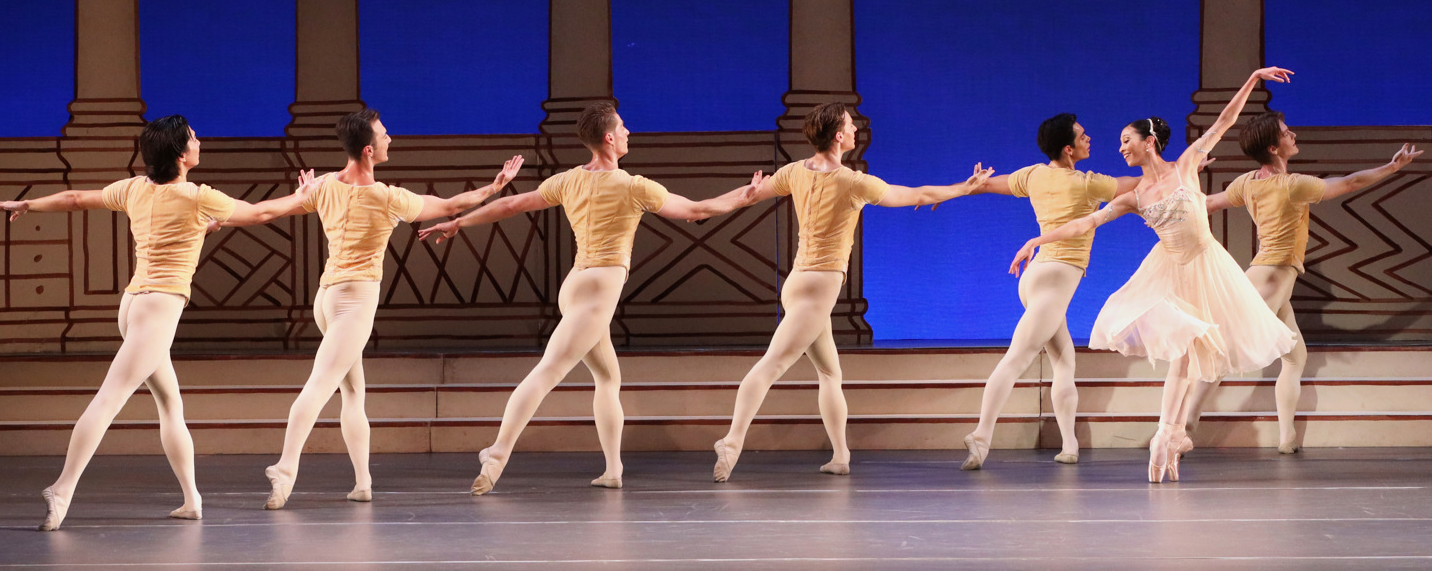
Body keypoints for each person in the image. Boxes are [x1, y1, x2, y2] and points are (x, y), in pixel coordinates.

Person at [417, 101, 766, 494]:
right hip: (599, 291)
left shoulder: (569, 180)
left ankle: (613, 468)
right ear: (609, 137)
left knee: (607, 377)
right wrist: (744, 197)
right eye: (623, 127)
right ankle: (496, 455)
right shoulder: (634, 186)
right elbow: (696, 210)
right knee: (548, 371)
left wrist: (460, 221)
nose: (629, 132)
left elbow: (512, 204)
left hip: (578, 285)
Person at [0, 114, 300, 531]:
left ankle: (192, 500)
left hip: (134, 306)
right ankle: (61, 489)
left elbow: (77, 198)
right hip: (156, 311)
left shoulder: (136, 188)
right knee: (109, 399)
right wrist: (306, 195)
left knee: (171, 404)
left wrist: (28, 203)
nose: (199, 141)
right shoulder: (196, 195)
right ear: (180, 154)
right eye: (193, 137)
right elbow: (261, 213)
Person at [211, 107, 525, 508]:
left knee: (354, 392)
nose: (390, 138)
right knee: (321, 384)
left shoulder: (323, 185)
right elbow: (448, 206)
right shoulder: (386, 198)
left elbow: (268, 212)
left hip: (327, 300)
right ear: (368, 150)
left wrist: (223, 219)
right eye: (384, 135)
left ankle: (363, 482)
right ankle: (285, 469)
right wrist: (495, 186)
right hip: (354, 304)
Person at [1008, 67, 1296, 482]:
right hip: (1169, 271)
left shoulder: (1187, 165)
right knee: (1183, 353)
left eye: (1127, 141)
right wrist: (1037, 241)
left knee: (1198, 357)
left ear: (1149, 142)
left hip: (1207, 266)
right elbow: (1084, 224)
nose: (1121, 147)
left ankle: (1170, 437)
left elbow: (1224, 121)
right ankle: (1167, 436)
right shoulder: (1134, 195)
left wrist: (1253, 78)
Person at [711, 102, 994, 482]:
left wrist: (706, 208)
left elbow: (749, 194)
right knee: (772, 364)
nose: (856, 128)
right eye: (850, 124)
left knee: (830, 372)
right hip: (818, 288)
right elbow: (918, 195)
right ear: (838, 136)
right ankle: (731, 442)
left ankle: (841, 454)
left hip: (799, 283)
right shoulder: (854, 182)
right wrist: (964, 187)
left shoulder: (793, 172)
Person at [1181, 114, 1422, 453]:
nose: (1292, 134)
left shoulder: (1248, 182)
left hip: (1270, 278)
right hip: (1270, 278)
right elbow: (1350, 183)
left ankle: (1286, 439)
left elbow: (1204, 204)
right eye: (1284, 133)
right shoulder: (1291, 185)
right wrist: (1392, 168)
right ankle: (1185, 424)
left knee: (1295, 357)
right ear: (1273, 147)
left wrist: (1190, 179)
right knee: (1223, 354)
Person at [958, 113, 1136, 470]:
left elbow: (987, 184)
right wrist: (1181, 166)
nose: (1090, 140)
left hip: (1037, 278)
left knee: (1064, 361)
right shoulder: (1088, 183)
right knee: (1017, 358)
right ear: (1068, 149)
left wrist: (955, 190)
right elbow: (1138, 183)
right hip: (1054, 281)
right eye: (1083, 137)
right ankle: (981, 435)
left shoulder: (1033, 175)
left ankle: (1069, 444)